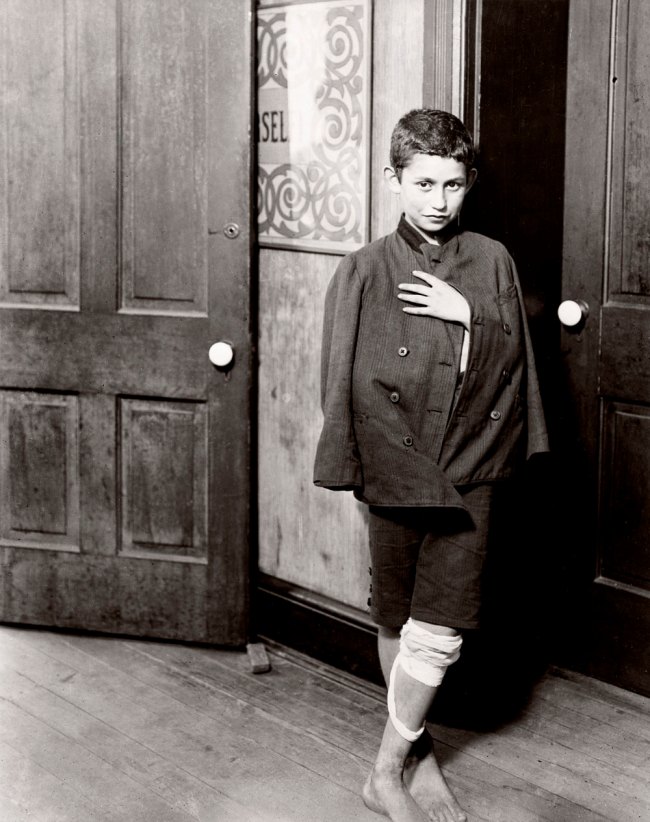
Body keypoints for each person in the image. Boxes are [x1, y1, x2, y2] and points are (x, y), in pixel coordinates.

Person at [313, 109, 549, 822]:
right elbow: (340, 380)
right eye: (423, 183)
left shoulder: (493, 260)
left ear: (468, 181)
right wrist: (355, 464)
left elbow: (521, 371)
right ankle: (419, 758)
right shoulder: (361, 269)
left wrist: (469, 313)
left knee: (441, 627)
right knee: (396, 614)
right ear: (395, 180)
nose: (438, 201)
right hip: (392, 466)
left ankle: (384, 770)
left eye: (452, 184)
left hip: (470, 468)